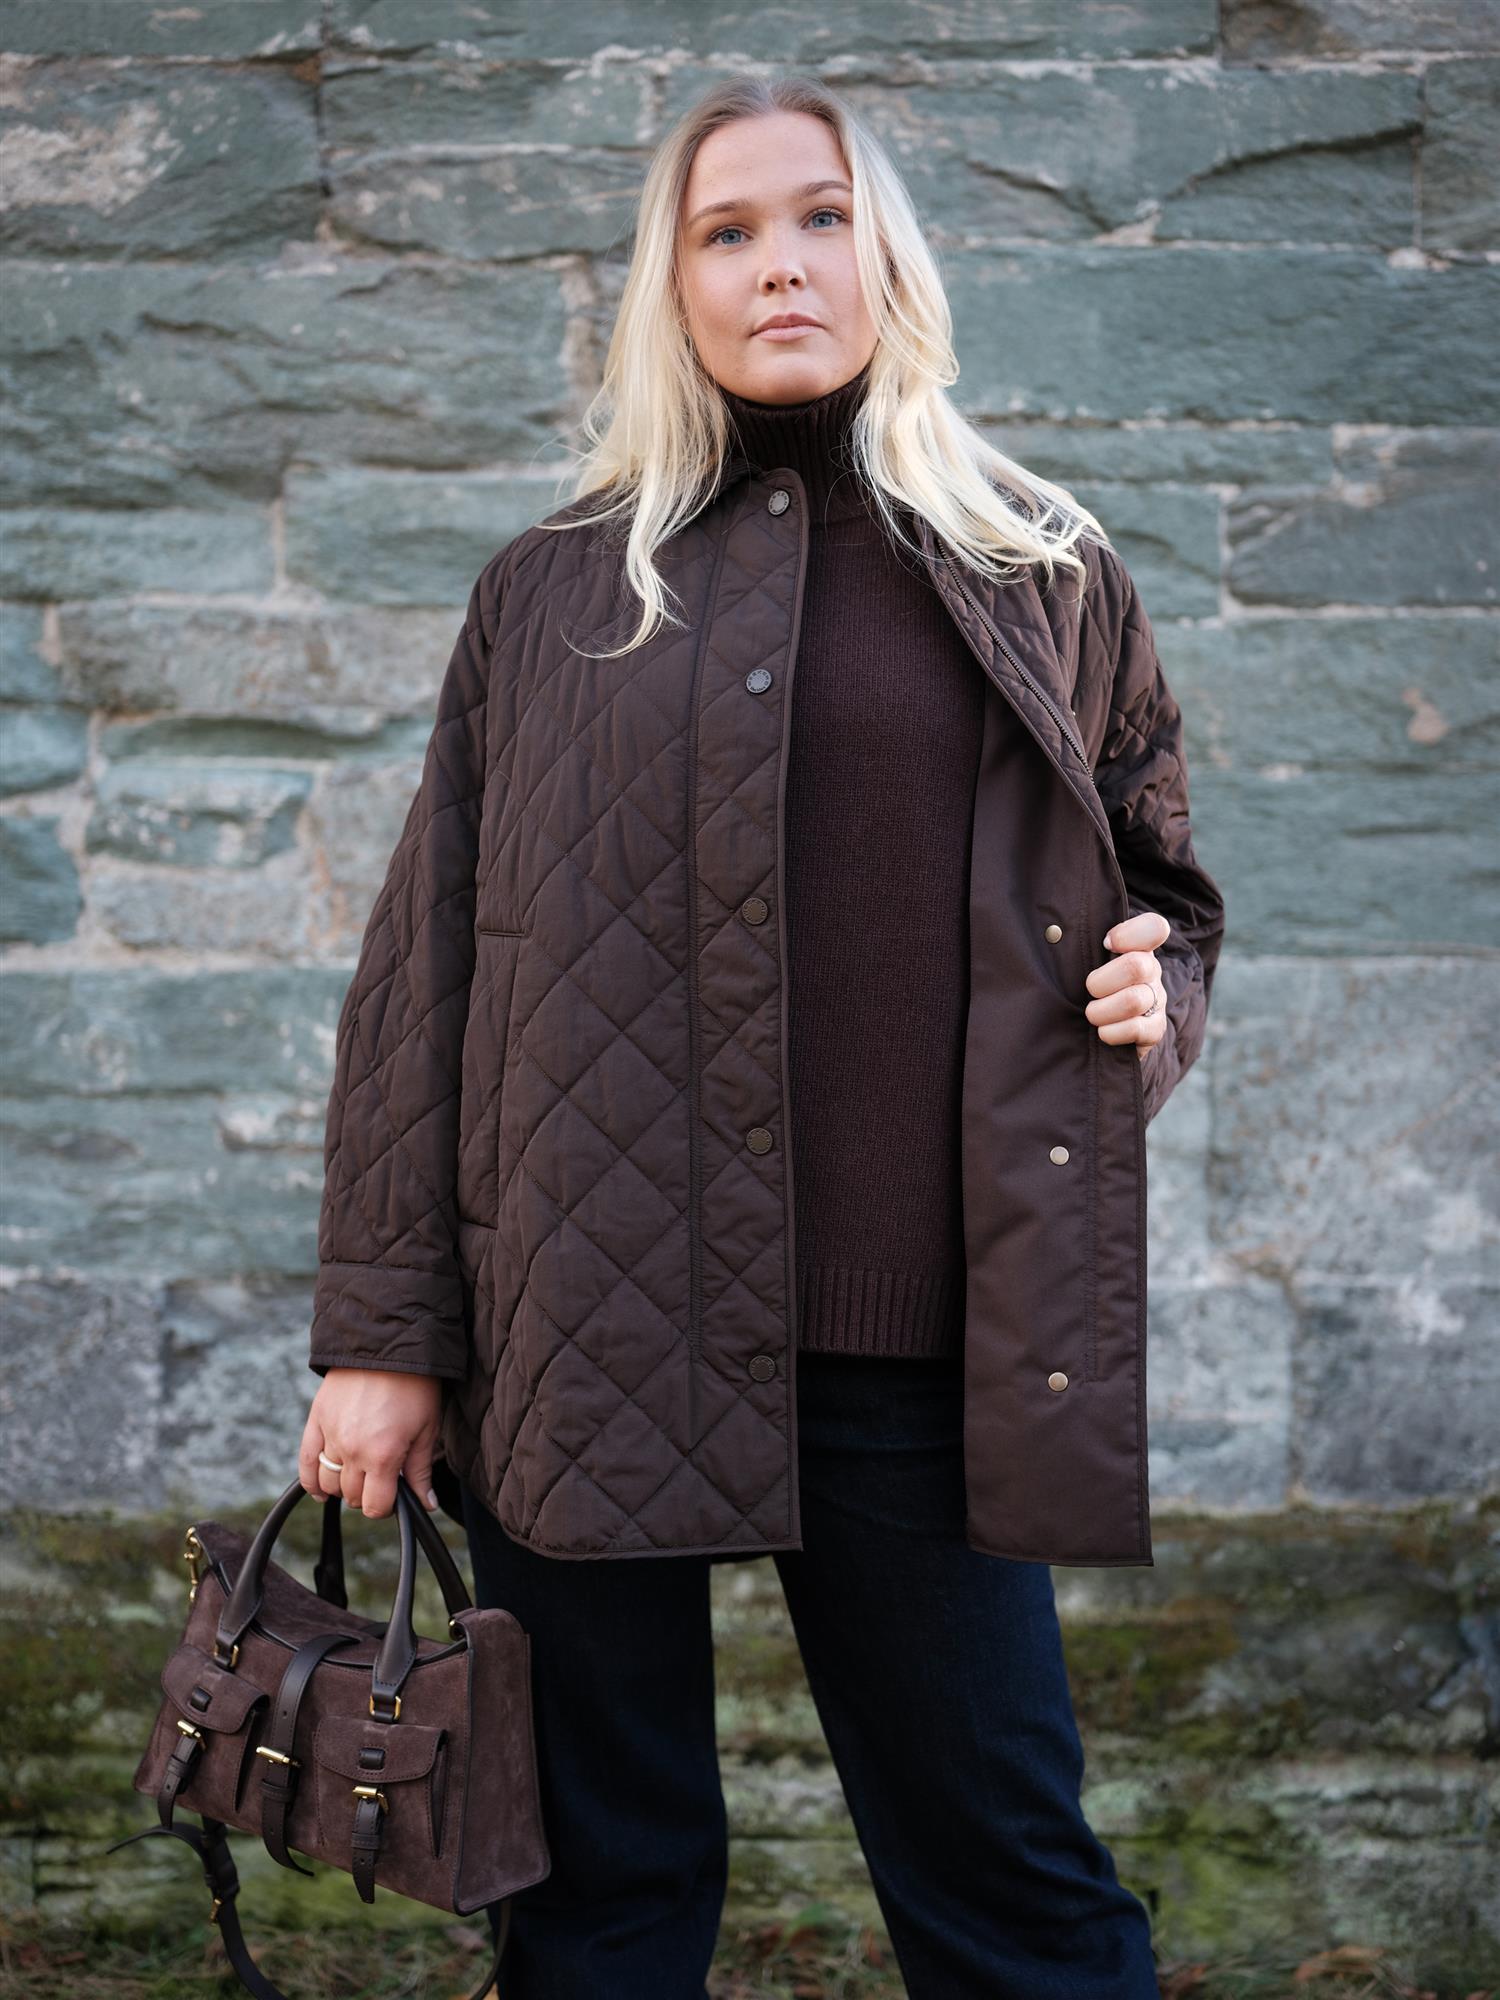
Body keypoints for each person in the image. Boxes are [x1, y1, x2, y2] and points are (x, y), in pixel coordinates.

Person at [299, 70, 1223, 2000]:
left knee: (1015, 1880)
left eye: (820, 218)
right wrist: (385, 1338)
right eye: (725, 231)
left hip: (916, 1344)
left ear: (889, 259)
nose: (778, 264)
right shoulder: (554, 593)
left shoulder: (1047, 572)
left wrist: (1157, 996)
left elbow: (1157, 889)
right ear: (675, 285)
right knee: (598, 1905)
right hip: (586, 1328)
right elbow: (423, 978)